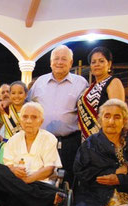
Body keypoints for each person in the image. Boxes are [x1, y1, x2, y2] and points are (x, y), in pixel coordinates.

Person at [28, 45, 88, 184]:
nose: (59, 62)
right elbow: (27, 106)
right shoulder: (40, 82)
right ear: (50, 62)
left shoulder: (81, 83)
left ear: (70, 63)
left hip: (70, 142)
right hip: (42, 141)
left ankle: (67, 205)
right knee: (41, 178)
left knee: (68, 180)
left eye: (64, 59)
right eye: (56, 59)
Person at [77, 46, 125, 140]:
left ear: (109, 64)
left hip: (105, 140)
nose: (97, 64)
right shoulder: (89, 87)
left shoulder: (113, 82)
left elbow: (118, 115)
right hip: (87, 141)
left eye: (101, 61)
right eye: (93, 62)